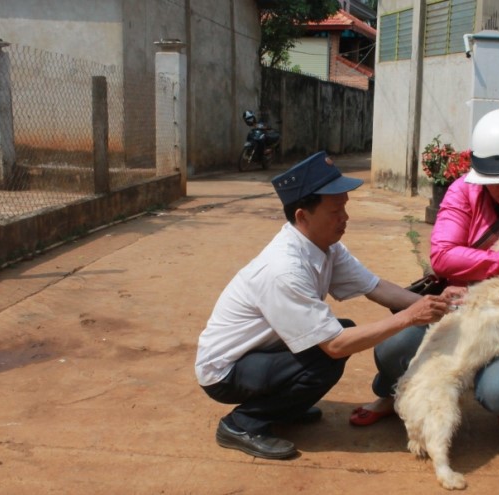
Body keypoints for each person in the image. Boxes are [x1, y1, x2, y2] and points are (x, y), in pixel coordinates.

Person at [195, 151, 463, 460]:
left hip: (262, 353)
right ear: (302, 216)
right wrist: (408, 318)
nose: (345, 217)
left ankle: (284, 408)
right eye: (335, 210)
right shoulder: (283, 269)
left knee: (343, 332)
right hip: (227, 371)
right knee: (328, 356)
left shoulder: (326, 247)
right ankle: (242, 424)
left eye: (345, 207)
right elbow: (334, 347)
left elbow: (376, 287)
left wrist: (436, 305)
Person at [350, 108, 499, 438]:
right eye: (493, 180)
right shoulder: (464, 191)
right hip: (458, 308)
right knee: (393, 348)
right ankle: (390, 394)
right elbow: (442, 256)